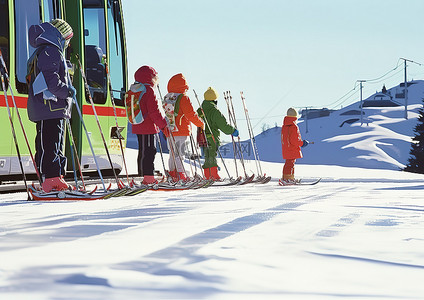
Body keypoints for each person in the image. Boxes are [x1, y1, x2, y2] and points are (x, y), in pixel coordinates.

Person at [27, 19, 75, 192]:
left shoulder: (43, 51)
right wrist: (67, 91)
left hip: (50, 108)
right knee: (51, 142)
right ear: (60, 37)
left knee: (52, 142)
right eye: (67, 40)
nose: (67, 45)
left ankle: (54, 176)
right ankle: (51, 178)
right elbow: (52, 81)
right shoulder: (51, 51)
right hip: (51, 107)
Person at [129, 66, 169, 184]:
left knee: (143, 151)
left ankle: (143, 174)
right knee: (150, 150)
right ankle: (148, 177)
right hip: (147, 126)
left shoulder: (134, 89)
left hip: (137, 124)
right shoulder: (149, 90)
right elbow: (154, 111)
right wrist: (163, 125)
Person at [163, 73, 204, 182]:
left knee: (172, 154)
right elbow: (191, 114)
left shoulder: (168, 98)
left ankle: (173, 173)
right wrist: (200, 123)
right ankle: (181, 175)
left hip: (169, 131)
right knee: (180, 154)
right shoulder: (183, 98)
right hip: (181, 131)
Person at [197, 87, 238, 180]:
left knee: (207, 156)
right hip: (212, 137)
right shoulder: (214, 111)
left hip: (202, 137)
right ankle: (214, 175)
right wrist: (232, 130)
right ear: (214, 99)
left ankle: (208, 175)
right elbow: (223, 125)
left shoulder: (200, 110)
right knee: (212, 155)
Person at [281, 107, 309, 183]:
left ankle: (286, 177)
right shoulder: (293, 127)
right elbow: (294, 140)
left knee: (288, 163)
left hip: (286, 148)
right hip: (292, 148)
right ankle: (288, 179)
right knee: (291, 164)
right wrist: (302, 143)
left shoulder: (284, 127)